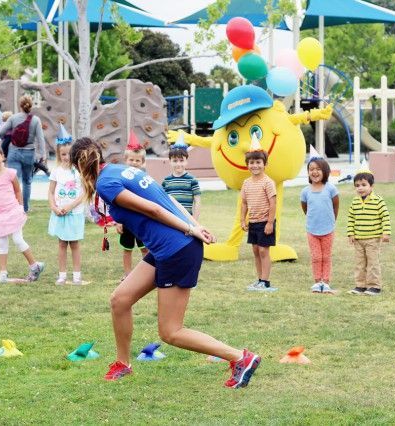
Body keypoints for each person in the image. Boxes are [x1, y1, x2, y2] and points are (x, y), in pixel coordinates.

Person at [70, 137, 261, 387]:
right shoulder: (120, 170)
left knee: (171, 331)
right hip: (168, 248)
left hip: (177, 249)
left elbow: (155, 209)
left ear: (78, 167)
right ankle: (123, 363)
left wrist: (191, 230)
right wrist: (194, 225)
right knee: (120, 300)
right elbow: (168, 199)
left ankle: (240, 357)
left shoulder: (106, 182)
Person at [0, 132, 45, 283]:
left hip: (13, 211)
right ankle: (3, 272)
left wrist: (21, 207)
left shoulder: (10, 173)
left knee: (18, 239)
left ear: (2, 156)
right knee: (2, 242)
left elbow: (17, 190)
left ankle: (34, 265)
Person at [47, 126, 85, 285]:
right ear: (58, 154)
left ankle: (76, 275)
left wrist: (70, 206)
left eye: (69, 154)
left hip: (74, 213)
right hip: (59, 213)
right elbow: (50, 192)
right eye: (63, 154)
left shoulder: (79, 171)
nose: (66, 157)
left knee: (74, 244)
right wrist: (54, 207)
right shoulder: (56, 171)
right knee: (62, 243)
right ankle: (62, 274)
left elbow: (84, 193)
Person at [0, 95, 46, 213]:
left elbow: (1, 132)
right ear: (31, 105)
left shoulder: (13, 118)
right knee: (27, 181)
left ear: (20, 105)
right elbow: (41, 139)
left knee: (12, 181)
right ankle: (24, 208)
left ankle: (11, 206)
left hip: (14, 152)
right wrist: (42, 154)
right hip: (29, 153)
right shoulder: (35, 120)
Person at [346, 170, 391, 295]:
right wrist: (351, 233)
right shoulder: (355, 202)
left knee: (372, 263)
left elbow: (385, 217)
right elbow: (351, 218)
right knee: (359, 263)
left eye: (363, 185)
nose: (360, 188)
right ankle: (360, 285)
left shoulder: (378, 201)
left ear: (371, 186)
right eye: (357, 186)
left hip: (373, 239)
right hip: (359, 240)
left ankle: (374, 286)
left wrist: (386, 233)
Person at [300, 154, 339, 294]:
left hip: (328, 229)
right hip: (312, 230)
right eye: (311, 169)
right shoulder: (305, 191)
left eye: (318, 169)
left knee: (326, 256)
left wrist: (330, 221)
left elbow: (335, 206)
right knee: (316, 257)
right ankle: (317, 282)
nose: (314, 172)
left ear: (325, 171)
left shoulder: (331, 189)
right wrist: (313, 220)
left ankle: (326, 281)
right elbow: (305, 208)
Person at [241, 145, 277, 292]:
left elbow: (273, 203)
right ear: (247, 165)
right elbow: (243, 203)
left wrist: (270, 222)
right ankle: (259, 280)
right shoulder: (246, 183)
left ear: (265, 164)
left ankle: (266, 281)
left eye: (258, 162)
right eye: (251, 163)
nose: (255, 165)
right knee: (256, 251)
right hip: (253, 222)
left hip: (265, 222)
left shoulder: (268, 182)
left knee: (263, 251)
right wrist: (242, 220)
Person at [115, 134, 149, 280]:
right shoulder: (120, 179)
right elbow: (117, 201)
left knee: (145, 248)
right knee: (127, 249)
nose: (134, 163)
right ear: (125, 160)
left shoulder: (144, 179)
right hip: (126, 220)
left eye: (137, 160)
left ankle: (146, 274)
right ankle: (128, 274)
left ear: (142, 163)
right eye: (131, 160)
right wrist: (118, 220)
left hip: (141, 220)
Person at [162, 144, 201, 220]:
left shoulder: (192, 180)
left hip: (187, 219)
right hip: (171, 219)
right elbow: (163, 201)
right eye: (175, 161)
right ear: (170, 162)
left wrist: (194, 221)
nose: (178, 164)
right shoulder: (166, 181)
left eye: (181, 160)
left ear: (186, 161)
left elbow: (197, 201)